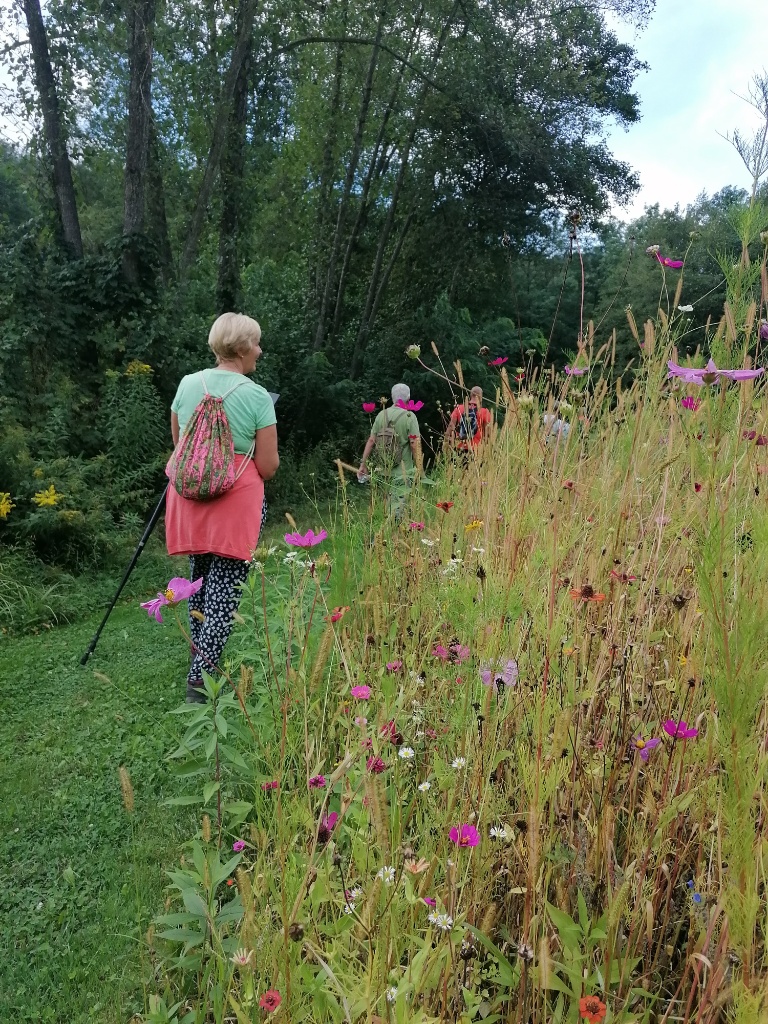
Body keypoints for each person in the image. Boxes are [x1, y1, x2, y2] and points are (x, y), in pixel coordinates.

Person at [165, 312, 279, 703]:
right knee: (224, 594)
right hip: (235, 505)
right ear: (244, 347)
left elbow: (182, 445)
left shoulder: (187, 384)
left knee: (199, 584)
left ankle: (201, 658)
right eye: (257, 344)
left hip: (190, 501)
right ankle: (199, 681)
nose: (260, 351)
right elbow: (267, 465)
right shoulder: (256, 395)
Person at [357, 383, 422, 518]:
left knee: (386, 508)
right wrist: (419, 468)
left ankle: (384, 536)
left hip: (383, 470)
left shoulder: (381, 415)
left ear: (392, 397)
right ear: (408, 397)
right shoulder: (409, 416)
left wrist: (363, 464)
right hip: (403, 472)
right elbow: (414, 444)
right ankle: (391, 536)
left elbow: (371, 441)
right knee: (398, 511)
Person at [445, 386, 493, 457]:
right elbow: (488, 434)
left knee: (458, 467)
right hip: (476, 449)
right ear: (481, 396)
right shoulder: (484, 412)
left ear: (470, 395)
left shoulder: (459, 408)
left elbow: (451, 426)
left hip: (459, 448)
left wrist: (445, 442)